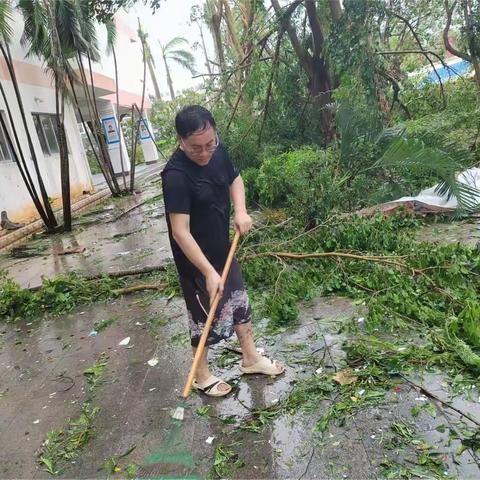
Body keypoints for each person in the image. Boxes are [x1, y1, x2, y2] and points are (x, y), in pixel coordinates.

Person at [161, 105, 284, 397]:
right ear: (180, 141)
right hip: (195, 259)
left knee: (239, 301)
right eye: (195, 148)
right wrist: (206, 272)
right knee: (204, 314)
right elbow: (180, 231)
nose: (204, 154)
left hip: (221, 246)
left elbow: (235, 179)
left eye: (209, 144)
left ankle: (250, 358)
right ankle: (201, 374)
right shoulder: (175, 176)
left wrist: (240, 211)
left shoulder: (218, 151)